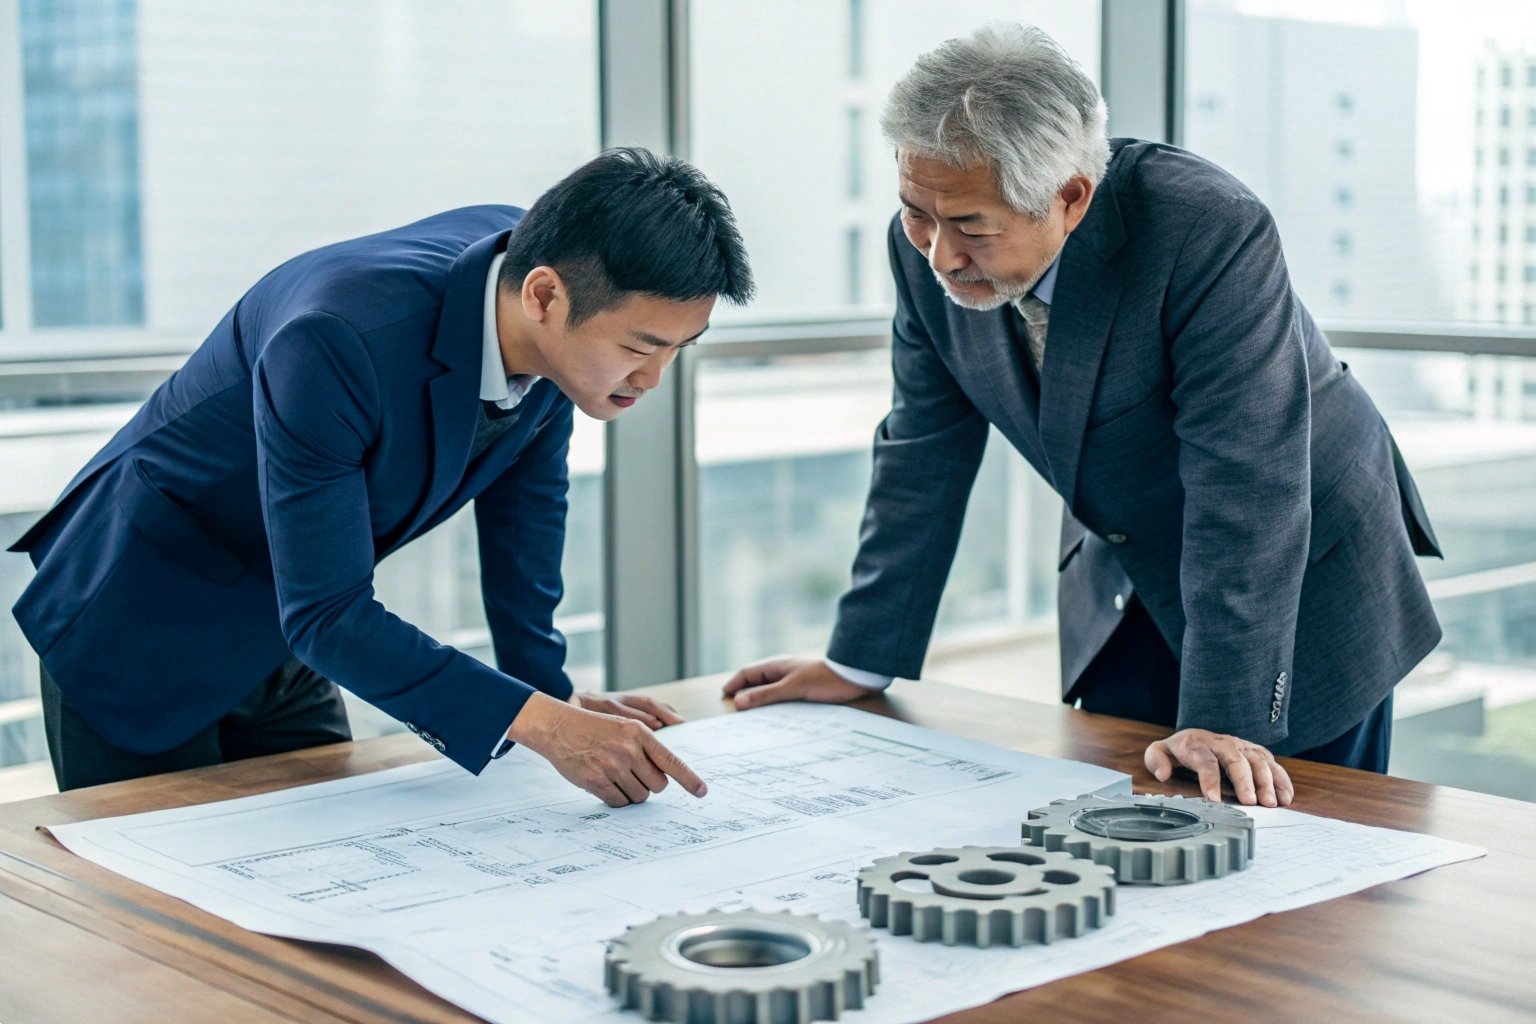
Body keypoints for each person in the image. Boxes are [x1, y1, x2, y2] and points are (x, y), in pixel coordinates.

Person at [724, 24, 1442, 808]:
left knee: (1294, 856)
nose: (938, 254)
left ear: (1070, 197)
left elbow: (1247, 483)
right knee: (1117, 834)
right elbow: (921, 449)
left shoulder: (1205, 227)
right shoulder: (929, 240)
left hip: (1296, 574)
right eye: (916, 214)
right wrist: (859, 660)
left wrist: (1225, 719)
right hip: (1124, 568)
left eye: (972, 227)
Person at [12, 147, 754, 804]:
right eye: (640, 347)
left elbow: (525, 538)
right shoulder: (338, 336)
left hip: (283, 632)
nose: (653, 378)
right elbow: (328, 613)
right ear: (544, 297)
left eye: (678, 349)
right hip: (140, 621)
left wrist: (558, 704)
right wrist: (539, 724)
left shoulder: (547, 305)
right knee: (168, 933)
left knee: (326, 876)